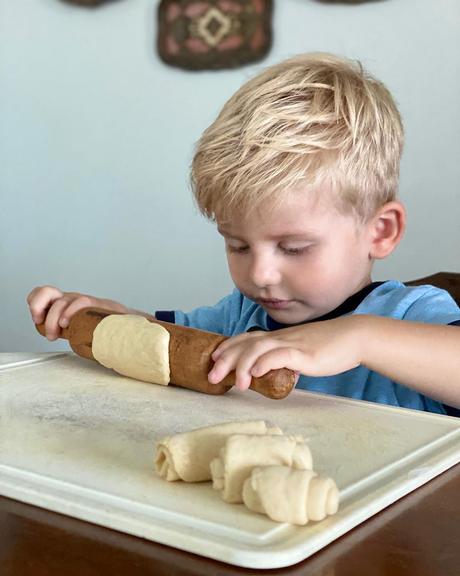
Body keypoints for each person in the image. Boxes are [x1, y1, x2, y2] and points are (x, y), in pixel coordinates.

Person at [27, 53, 460, 415]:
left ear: (379, 232)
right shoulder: (239, 318)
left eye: (293, 248)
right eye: (237, 245)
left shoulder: (411, 314)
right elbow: (165, 345)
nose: (261, 273)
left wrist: (360, 337)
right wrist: (112, 316)